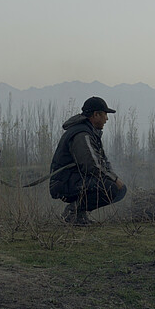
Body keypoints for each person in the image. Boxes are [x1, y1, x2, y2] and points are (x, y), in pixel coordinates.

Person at [49, 96, 127, 225]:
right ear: (96, 115)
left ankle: (79, 216)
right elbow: (91, 165)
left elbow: (102, 161)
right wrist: (114, 179)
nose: (107, 119)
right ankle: (72, 212)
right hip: (64, 182)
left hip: (73, 179)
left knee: (118, 188)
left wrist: (112, 175)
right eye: (105, 114)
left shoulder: (89, 132)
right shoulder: (82, 134)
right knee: (114, 189)